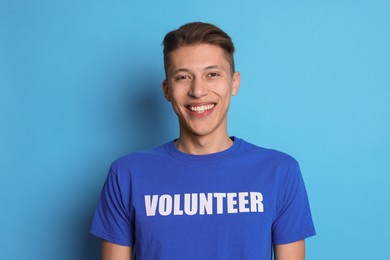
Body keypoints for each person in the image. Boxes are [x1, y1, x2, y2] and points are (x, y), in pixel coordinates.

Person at [90, 22, 316, 260]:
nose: (198, 90)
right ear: (167, 90)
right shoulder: (127, 174)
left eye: (212, 74)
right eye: (183, 77)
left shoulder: (279, 171)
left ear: (234, 82)